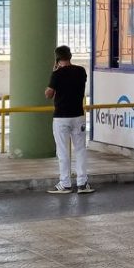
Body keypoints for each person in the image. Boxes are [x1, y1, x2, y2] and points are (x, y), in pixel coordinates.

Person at [45, 45, 91, 194]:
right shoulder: (81, 71)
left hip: (61, 118)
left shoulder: (57, 74)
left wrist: (54, 73)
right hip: (78, 116)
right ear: (70, 56)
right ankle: (82, 184)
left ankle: (65, 184)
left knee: (63, 151)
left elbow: (49, 94)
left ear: (57, 59)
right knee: (80, 149)